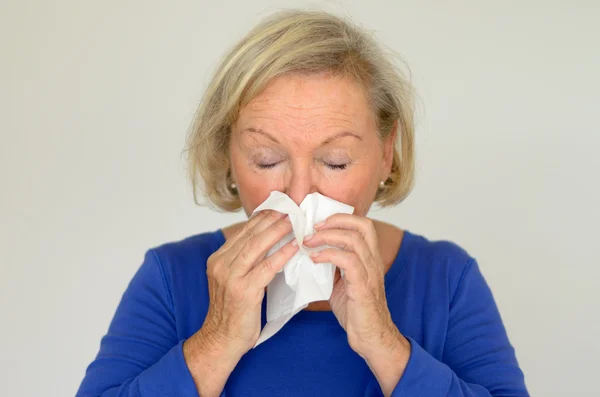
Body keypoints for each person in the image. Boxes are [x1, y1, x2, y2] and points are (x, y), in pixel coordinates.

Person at [77, 9, 529, 397]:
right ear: (228, 156)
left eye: (335, 162)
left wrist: (385, 344)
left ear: (386, 153)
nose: (300, 194)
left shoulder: (446, 280)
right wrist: (216, 340)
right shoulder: (172, 277)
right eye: (267, 159)